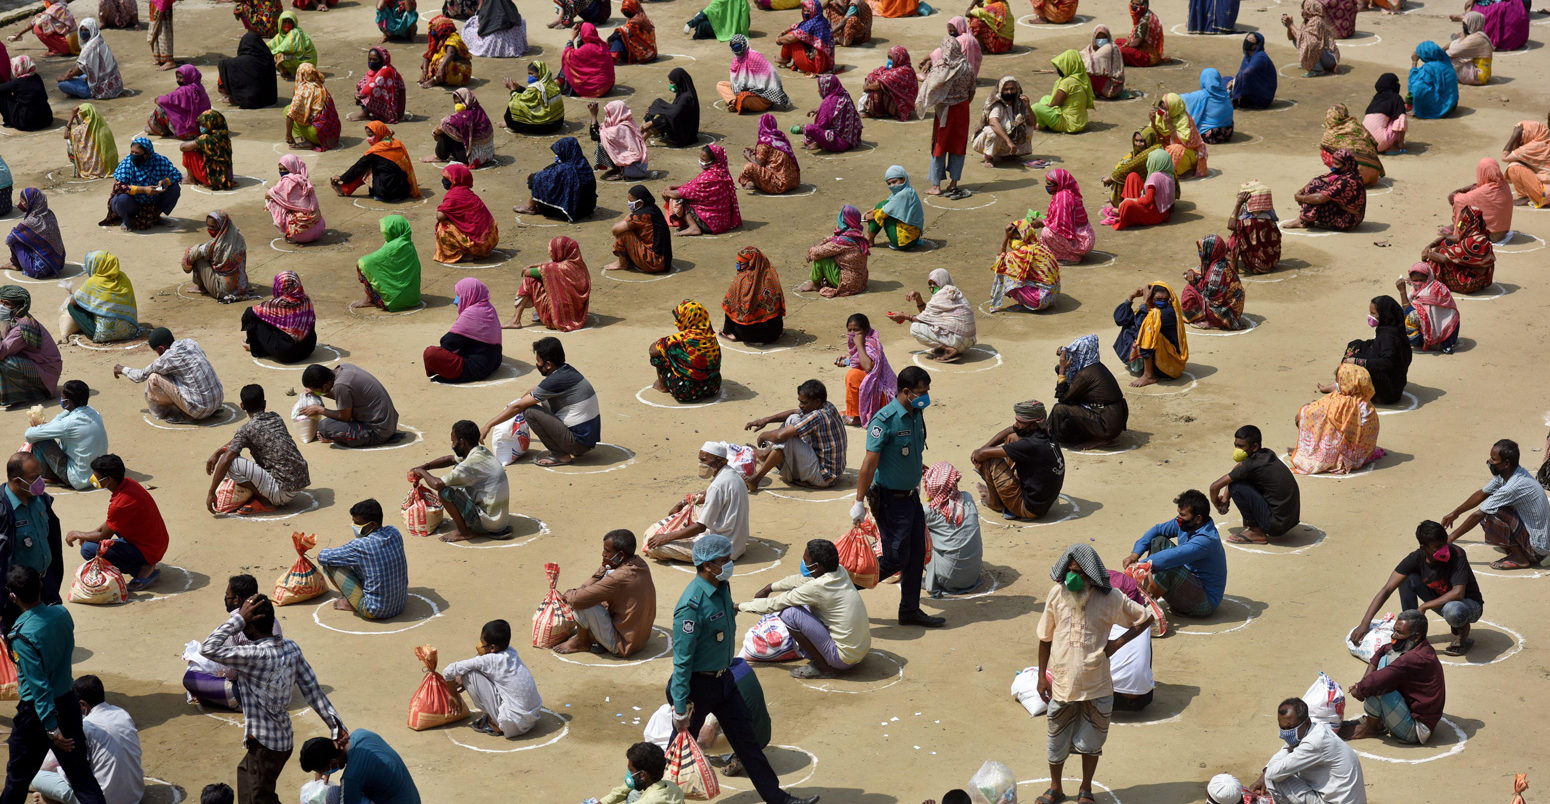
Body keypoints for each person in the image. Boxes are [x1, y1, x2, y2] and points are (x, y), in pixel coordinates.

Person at [666, 535, 819, 804]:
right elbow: (682, 660)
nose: (729, 565)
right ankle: (654, 797)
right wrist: (680, 706)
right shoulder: (691, 607)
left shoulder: (722, 587)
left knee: (746, 742)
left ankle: (777, 798)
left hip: (724, 680)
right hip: (696, 688)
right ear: (707, 565)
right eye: (723, 561)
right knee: (679, 752)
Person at [199, 592, 346, 804]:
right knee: (246, 777)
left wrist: (238, 618)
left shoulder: (252, 656)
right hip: (282, 740)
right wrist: (336, 726)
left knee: (260, 797)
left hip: (265, 745)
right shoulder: (291, 648)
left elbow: (208, 648)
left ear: (250, 626)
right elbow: (313, 691)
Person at [1033, 545, 1152, 804]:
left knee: (1092, 741)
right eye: (1069, 572)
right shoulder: (1057, 594)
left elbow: (1145, 618)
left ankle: (1085, 789)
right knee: (1056, 739)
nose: (1072, 577)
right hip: (1063, 684)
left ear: (1090, 575)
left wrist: (1115, 645)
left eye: (1078, 572)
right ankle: (1055, 787)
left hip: (1097, 684)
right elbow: (1044, 639)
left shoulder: (1112, 599)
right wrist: (1042, 676)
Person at [0, 566, 107, 804]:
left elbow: (39, 687)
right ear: (40, 586)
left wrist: (52, 728)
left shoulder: (21, 636)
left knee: (17, 780)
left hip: (36, 716)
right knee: (81, 775)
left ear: (13, 597)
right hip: (68, 705)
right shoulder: (62, 615)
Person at [852, 365, 942, 627]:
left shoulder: (916, 413)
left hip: (911, 496)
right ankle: (837, 590)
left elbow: (911, 449)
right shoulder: (884, 421)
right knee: (894, 559)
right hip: (890, 500)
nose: (925, 396)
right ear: (906, 392)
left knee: (915, 555)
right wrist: (858, 501)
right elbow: (869, 463)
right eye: (921, 392)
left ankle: (910, 610)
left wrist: (915, 468)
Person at [739, 539, 869, 679]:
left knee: (789, 613)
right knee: (806, 605)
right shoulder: (840, 571)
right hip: (860, 651)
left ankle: (823, 668)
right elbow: (801, 581)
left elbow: (775, 604)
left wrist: (739, 606)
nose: (804, 563)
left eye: (805, 560)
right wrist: (770, 587)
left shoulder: (817, 588)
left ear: (817, 566)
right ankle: (825, 660)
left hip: (842, 660)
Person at [1352, 521, 1483, 658]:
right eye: (1437, 547)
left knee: (1453, 610)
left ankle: (1462, 633)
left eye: (1445, 544)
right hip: (1442, 601)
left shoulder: (1456, 554)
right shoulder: (1415, 558)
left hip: (1469, 605)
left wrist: (1424, 606)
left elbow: (1458, 593)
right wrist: (1364, 624)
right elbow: (1387, 589)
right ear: (1424, 548)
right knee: (1407, 579)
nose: (1444, 549)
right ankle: (1412, 632)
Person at [479, 337, 601, 466]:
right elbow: (535, 391)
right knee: (538, 400)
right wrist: (518, 403)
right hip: (587, 440)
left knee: (530, 411)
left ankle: (561, 455)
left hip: (579, 443)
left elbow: (519, 407)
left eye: (538, 361)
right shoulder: (566, 371)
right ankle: (570, 447)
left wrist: (488, 425)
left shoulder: (556, 380)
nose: (537, 365)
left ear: (548, 365)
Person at [28, 675, 144, 804]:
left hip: (101, 799)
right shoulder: (122, 713)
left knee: (37, 778)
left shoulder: (86, 726)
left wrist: (57, 768)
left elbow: (74, 775)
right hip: (135, 795)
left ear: (82, 705)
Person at [1442, 439, 1549, 571]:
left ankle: (1519, 557)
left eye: (1493, 459)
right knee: (1490, 508)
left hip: (1537, 548)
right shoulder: (1508, 474)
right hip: (1536, 536)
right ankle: (1517, 548)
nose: (1489, 462)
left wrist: (1450, 538)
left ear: (1506, 463)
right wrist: (1455, 513)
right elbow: (1481, 494)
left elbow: (1478, 514)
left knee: (1491, 513)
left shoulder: (1513, 486)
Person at [1341, 610, 1446, 744]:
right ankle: (1377, 720)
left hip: (1417, 729)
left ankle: (1371, 728)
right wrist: (1363, 683)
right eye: (1394, 631)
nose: (1394, 636)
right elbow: (1383, 649)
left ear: (1415, 637)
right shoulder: (1420, 646)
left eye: (1399, 633)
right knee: (1385, 659)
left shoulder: (1413, 658)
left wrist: (1360, 689)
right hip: (1409, 711)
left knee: (1380, 684)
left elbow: (1377, 681)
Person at [62, 454, 167, 588]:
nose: (94, 478)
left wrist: (78, 534)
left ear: (109, 479)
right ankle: (145, 562)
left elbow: (103, 535)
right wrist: (89, 534)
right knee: (93, 540)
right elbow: (112, 523)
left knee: (88, 549)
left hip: (149, 549)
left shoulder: (120, 504)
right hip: (156, 542)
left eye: (97, 476)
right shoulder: (129, 483)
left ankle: (143, 570)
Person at [204, 384, 309, 516]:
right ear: (264, 404)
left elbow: (228, 457)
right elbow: (239, 440)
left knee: (231, 462)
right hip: (300, 481)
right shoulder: (275, 417)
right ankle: (268, 492)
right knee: (252, 454)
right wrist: (219, 451)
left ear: (242, 405)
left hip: (282, 493)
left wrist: (211, 492)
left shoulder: (246, 430)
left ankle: (265, 501)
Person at [1122, 490, 1228, 617]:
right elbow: (1158, 530)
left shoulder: (1206, 540)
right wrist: (1135, 554)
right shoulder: (1188, 524)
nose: (1178, 519)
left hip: (1205, 602)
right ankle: (1147, 591)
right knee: (1159, 541)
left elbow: (1167, 559)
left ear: (1198, 518)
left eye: (1182, 515)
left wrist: (1139, 565)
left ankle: (1142, 612)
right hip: (1189, 583)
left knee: (1169, 567)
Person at [554, 530, 657, 656]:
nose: (603, 554)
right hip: (640, 639)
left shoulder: (619, 577)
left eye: (607, 551)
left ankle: (581, 642)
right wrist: (603, 568)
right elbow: (592, 584)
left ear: (620, 556)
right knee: (595, 590)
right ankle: (593, 637)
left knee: (583, 603)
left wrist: (567, 594)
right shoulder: (639, 563)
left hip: (623, 645)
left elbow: (577, 599)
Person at [1248, 698, 1367, 804]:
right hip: (1340, 798)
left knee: (1275, 779)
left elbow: (1273, 774)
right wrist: (1264, 774)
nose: (1285, 732)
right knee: (1282, 769)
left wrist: (1265, 776)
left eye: (1289, 728)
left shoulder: (1314, 742)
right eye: (1282, 728)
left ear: (1307, 722)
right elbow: (1286, 749)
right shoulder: (1313, 729)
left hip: (1333, 801)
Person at [410, 421, 512, 542]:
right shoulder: (481, 452)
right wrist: (424, 467)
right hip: (500, 521)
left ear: (462, 442)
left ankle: (463, 532)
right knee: (456, 469)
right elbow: (449, 459)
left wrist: (421, 472)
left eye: (454, 441)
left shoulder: (469, 465)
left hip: (489, 524)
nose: (452, 445)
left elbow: (437, 484)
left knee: (445, 492)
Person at [647, 444, 748, 561]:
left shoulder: (717, 485)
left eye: (704, 460)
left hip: (722, 550)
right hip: (737, 542)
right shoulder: (731, 474)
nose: (701, 464)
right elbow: (707, 494)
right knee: (692, 507)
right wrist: (683, 503)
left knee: (656, 549)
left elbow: (700, 527)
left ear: (719, 461)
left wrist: (666, 538)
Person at [443, 619, 543, 736]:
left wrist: (453, 695)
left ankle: (494, 724)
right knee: (471, 670)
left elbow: (448, 671)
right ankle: (497, 719)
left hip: (513, 724)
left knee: (469, 674)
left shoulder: (490, 660)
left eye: (482, 643)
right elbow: (482, 661)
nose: (479, 646)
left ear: (492, 648)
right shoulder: (511, 652)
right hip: (531, 718)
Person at [743, 380, 846, 493]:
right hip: (828, 467)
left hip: (824, 477)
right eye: (800, 401)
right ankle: (764, 454)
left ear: (817, 402)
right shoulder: (827, 405)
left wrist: (763, 435)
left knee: (786, 439)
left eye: (804, 403)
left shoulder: (817, 416)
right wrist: (766, 420)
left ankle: (755, 480)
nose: (800, 405)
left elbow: (780, 436)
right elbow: (794, 412)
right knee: (793, 419)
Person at [0, 453, 65, 632]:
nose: (40, 482)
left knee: (54, 628)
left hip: (45, 582)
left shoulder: (40, 500)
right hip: (18, 594)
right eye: (34, 478)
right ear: (17, 481)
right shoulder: (3, 512)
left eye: (40, 474)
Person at [969, 400, 1065, 521]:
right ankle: (1004, 492)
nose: (1016, 424)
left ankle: (995, 502)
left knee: (989, 460)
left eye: (1020, 422)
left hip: (1029, 508)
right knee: (1012, 437)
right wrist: (984, 448)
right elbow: (1011, 430)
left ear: (1034, 424)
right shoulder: (1046, 430)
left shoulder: (1030, 445)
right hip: (1042, 502)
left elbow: (981, 455)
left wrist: (978, 453)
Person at [316, 499, 409, 616]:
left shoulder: (360, 546)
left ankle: (351, 603)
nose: (354, 526)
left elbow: (322, 557)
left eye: (358, 523)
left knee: (330, 565)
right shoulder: (394, 532)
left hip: (375, 611)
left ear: (373, 524)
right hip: (401, 603)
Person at [1210, 425, 1300, 544]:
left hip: (1276, 525)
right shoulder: (1266, 454)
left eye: (1241, 446)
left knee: (1235, 487)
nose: (1237, 450)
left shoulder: (1251, 466)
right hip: (1289, 519)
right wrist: (1226, 498)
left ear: (1255, 447)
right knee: (1238, 480)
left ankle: (1256, 531)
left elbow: (1214, 487)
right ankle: (1257, 523)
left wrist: (1217, 504)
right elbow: (1238, 469)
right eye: (1236, 445)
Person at [114, 328, 224, 423]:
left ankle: (177, 414)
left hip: (200, 410)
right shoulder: (191, 343)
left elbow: (140, 376)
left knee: (153, 378)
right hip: (218, 400)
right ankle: (204, 407)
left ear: (161, 349)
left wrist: (122, 369)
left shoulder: (167, 358)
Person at [1289, 363, 1380, 475]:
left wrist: (1309, 408)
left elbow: (1324, 416)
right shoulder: (1364, 401)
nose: (1337, 384)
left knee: (1306, 415)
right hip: (1364, 453)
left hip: (1348, 452)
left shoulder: (1346, 403)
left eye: (1338, 381)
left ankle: (1311, 451)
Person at [918, 37, 975, 200]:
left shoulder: (941, 68)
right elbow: (972, 90)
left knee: (939, 144)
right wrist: (961, 101)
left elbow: (931, 87)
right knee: (958, 144)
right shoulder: (967, 67)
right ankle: (953, 183)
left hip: (944, 111)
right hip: (962, 109)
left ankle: (936, 185)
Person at [1049, 334, 1129, 448]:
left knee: (1059, 409)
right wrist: (1064, 351)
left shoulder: (1086, 375)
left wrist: (1062, 371)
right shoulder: (1095, 366)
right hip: (1113, 418)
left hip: (1106, 424)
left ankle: (1044, 436)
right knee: (1069, 401)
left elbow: (1062, 397)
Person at [23, 380, 104, 492]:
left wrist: (39, 427)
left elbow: (29, 435)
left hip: (77, 480)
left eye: (62, 397)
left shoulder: (69, 423)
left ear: (68, 401)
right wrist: (49, 426)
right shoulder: (94, 413)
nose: (61, 400)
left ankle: (48, 475)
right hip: (97, 474)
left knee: (40, 440)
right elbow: (64, 417)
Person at [298, 731, 419, 804]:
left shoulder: (351, 778)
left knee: (333, 795)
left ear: (332, 762)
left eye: (321, 770)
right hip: (412, 799)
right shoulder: (361, 734)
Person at [917, 462, 982, 596]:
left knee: (914, 536)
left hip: (949, 580)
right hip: (972, 577)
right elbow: (943, 490)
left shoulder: (930, 512)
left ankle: (924, 578)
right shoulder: (968, 498)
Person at [299, 363, 401, 448]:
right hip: (388, 423)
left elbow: (345, 417)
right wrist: (317, 392)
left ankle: (340, 439)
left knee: (324, 427)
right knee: (330, 423)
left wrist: (320, 410)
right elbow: (345, 397)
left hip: (379, 432)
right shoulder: (344, 368)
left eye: (317, 390)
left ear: (325, 385)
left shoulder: (341, 386)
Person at [425, 278, 502, 384]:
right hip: (494, 361)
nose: (455, 300)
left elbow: (447, 342)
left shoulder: (472, 313)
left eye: (459, 295)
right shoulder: (488, 308)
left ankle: (447, 373)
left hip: (477, 368)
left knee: (431, 353)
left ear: (470, 294)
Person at [889, 269, 976, 362]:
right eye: (930, 284)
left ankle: (949, 349)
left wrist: (904, 316)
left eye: (934, 283)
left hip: (958, 341)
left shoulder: (941, 296)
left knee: (915, 328)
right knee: (930, 325)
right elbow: (930, 317)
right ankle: (947, 347)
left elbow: (922, 319)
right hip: (968, 341)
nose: (932, 286)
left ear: (942, 281)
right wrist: (919, 298)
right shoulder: (954, 292)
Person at [1113, 282, 1188, 387]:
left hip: (1168, 365)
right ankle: (1141, 365)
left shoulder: (1168, 313)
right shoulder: (1150, 310)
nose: (1162, 302)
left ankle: (1149, 376)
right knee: (1129, 326)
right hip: (1158, 360)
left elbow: (1141, 325)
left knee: (1147, 333)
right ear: (1152, 298)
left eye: (1165, 299)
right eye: (1158, 299)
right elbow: (1120, 319)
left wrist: (1144, 301)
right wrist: (1131, 298)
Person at [508, 236, 590, 332]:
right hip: (577, 316)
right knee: (550, 280)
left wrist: (529, 268)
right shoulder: (580, 266)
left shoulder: (555, 269)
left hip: (554, 319)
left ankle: (515, 319)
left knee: (530, 280)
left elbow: (528, 272)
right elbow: (551, 263)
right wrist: (537, 265)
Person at [101, 138, 182, 231]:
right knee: (121, 199)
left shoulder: (159, 161)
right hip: (132, 201)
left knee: (174, 189)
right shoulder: (127, 163)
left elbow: (177, 174)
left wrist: (166, 181)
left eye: (137, 153)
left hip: (152, 199)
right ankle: (127, 219)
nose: (134, 156)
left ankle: (155, 216)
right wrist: (143, 190)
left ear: (147, 154)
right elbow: (118, 187)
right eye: (132, 152)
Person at [58, 252, 136, 346]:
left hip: (101, 335)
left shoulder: (94, 281)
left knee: (72, 307)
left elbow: (73, 301)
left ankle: (69, 333)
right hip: (130, 331)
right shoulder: (124, 277)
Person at [1342, 296, 1410, 405]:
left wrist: (1357, 361)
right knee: (1356, 344)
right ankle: (1344, 381)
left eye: (1373, 313)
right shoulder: (1391, 328)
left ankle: (1346, 385)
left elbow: (1387, 363)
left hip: (1387, 392)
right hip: (1393, 382)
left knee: (1356, 359)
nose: (1370, 316)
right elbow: (1379, 345)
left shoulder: (1388, 336)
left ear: (1384, 314)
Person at [0, 289, 61, 409]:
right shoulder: (13, 320)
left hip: (46, 370)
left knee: (6, 363)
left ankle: (32, 395)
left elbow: (2, 351)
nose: (2, 306)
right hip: (34, 363)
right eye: (0, 302)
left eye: (6, 304)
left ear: (19, 306)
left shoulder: (22, 327)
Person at [332, 122, 420, 202]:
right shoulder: (397, 144)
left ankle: (344, 189)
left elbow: (357, 168)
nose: (369, 139)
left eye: (371, 135)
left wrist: (342, 177)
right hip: (403, 190)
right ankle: (346, 189)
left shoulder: (375, 151)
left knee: (367, 168)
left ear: (379, 134)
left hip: (387, 193)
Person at [515, 138, 597, 223]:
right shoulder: (583, 163)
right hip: (588, 208)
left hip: (573, 212)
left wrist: (533, 177)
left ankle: (530, 207)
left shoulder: (565, 169)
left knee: (535, 180)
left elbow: (536, 179)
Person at [987, 218, 1060, 313]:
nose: (1013, 241)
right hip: (1053, 296)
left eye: (1016, 238)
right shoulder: (1040, 246)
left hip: (1040, 301)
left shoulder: (1024, 252)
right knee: (1015, 270)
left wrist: (1005, 237)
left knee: (1004, 273)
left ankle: (1027, 304)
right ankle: (1029, 299)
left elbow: (999, 262)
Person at [664, 146, 740, 236]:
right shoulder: (722, 173)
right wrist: (673, 187)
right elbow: (693, 185)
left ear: (713, 160)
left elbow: (681, 193)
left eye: (704, 159)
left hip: (709, 224)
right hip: (723, 222)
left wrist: (667, 192)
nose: (701, 161)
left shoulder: (708, 178)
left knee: (679, 200)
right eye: (700, 158)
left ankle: (693, 227)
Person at [243, 272, 317, 364]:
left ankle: (255, 348)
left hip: (286, 354)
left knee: (255, 320)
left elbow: (249, 312)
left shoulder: (278, 304)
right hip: (308, 348)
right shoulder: (306, 300)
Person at [836, 314, 895, 428]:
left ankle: (856, 417)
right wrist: (849, 358)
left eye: (856, 330)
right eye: (850, 330)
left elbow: (868, 367)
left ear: (865, 330)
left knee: (852, 376)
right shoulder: (865, 342)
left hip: (882, 394)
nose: (853, 334)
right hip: (877, 391)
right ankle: (856, 411)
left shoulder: (870, 343)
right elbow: (861, 361)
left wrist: (859, 344)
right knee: (855, 374)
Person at [1284, 148, 1365, 231]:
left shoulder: (1347, 181)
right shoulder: (1350, 172)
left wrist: (1301, 198)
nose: (1333, 166)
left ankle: (1303, 220)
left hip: (1348, 220)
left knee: (1315, 196)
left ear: (1346, 165)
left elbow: (1320, 198)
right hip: (1353, 215)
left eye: (1337, 164)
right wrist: (1302, 190)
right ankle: (1305, 219)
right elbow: (1320, 179)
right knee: (1316, 184)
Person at [354, 215, 423, 312]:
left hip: (392, 301)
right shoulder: (408, 244)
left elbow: (365, 262)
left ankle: (369, 300)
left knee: (362, 265)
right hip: (413, 299)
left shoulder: (394, 246)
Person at [431, 166, 498, 264]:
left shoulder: (454, 195)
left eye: (447, 178)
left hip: (478, 245)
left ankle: (465, 254)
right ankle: (474, 250)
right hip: (491, 240)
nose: (444, 181)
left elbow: (440, 216)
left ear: (455, 179)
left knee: (443, 227)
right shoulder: (469, 194)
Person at [1025, 170, 1095, 264]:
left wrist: (1042, 222)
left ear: (1059, 184)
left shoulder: (1063, 198)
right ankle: (1066, 252)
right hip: (1083, 236)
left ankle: (1070, 257)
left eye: (1049, 184)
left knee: (1046, 233)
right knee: (1047, 229)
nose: (1047, 186)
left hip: (1081, 242)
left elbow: (1062, 227)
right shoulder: (1065, 194)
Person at [1422, 205, 1495, 294]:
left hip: (1470, 283)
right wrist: (1430, 246)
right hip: (1481, 280)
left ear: (1467, 223)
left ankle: (1424, 278)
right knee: (1445, 244)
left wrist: (1429, 254)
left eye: (1461, 223)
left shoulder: (1472, 242)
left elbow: (1444, 258)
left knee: (1439, 255)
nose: (1459, 225)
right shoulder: (1479, 234)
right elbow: (1448, 238)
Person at [799, 205, 868, 297]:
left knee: (822, 258)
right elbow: (832, 238)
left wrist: (811, 251)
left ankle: (814, 283)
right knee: (826, 252)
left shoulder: (844, 241)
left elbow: (818, 252)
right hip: (860, 282)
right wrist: (821, 244)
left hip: (848, 285)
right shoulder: (856, 234)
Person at [1180, 235, 1245, 331]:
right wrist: (1191, 272)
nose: (1200, 253)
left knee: (1189, 293)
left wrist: (1195, 282)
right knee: (1193, 285)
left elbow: (1211, 298)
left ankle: (1211, 321)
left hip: (1225, 311)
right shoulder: (1219, 260)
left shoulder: (1215, 273)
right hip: (1232, 305)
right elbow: (1201, 270)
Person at [720, 247, 784, 345]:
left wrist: (726, 329)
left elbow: (728, 306)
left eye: (741, 264)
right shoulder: (771, 276)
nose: (739, 267)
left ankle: (730, 333)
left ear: (750, 263)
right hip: (774, 333)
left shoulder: (741, 280)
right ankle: (771, 336)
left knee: (731, 305)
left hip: (746, 334)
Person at [180, 212, 249, 301]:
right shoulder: (238, 237)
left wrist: (187, 262)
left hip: (221, 289)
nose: (210, 229)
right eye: (208, 226)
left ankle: (200, 287)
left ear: (222, 226)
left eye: (213, 227)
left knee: (199, 257)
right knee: (206, 255)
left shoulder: (216, 245)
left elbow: (193, 253)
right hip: (241, 285)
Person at [606, 186, 673, 274]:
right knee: (629, 228)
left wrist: (629, 216)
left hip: (655, 262)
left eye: (631, 201)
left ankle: (623, 263)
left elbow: (615, 230)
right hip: (665, 260)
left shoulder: (641, 216)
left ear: (640, 203)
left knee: (623, 233)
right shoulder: (653, 209)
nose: (629, 203)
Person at [1104, 149, 1176, 230]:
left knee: (1127, 204)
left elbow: (1147, 200)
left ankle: (1122, 213)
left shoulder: (1155, 177)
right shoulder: (1170, 175)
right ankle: (1125, 211)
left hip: (1154, 215)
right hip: (1160, 211)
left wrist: (1129, 200)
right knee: (1132, 176)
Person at [1395, 263, 1459, 353]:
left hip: (1445, 336)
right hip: (1441, 330)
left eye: (1421, 280)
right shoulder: (1425, 286)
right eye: (1415, 280)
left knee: (1410, 317)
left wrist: (1402, 292)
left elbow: (1411, 313)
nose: (1418, 283)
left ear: (1428, 278)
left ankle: (1429, 343)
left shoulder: (1433, 291)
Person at [717, 37, 788, 117]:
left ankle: (738, 102)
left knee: (745, 98)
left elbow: (772, 75)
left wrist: (756, 89)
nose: (737, 50)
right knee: (721, 85)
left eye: (738, 47)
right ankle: (734, 102)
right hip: (744, 90)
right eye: (734, 48)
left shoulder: (755, 57)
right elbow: (737, 83)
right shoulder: (736, 60)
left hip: (763, 96)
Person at [595, 743, 684, 804]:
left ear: (642, 775)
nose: (629, 774)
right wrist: (603, 802)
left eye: (631, 770)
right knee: (633, 793)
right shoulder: (673, 787)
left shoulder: (647, 801)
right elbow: (625, 788)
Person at [4, 190, 64, 280]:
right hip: (58, 263)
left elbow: (9, 239)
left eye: (23, 201)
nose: (21, 204)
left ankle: (15, 264)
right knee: (25, 237)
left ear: (31, 203)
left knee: (16, 239)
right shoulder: (50, 213)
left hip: (38, 269)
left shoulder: (31, 221)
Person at [57, 18, 122, 101]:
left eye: (86, 30)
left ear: (92, 30)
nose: (83, 33)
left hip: (101, 91)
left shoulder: (88, 49)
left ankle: (84, 93)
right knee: (84, 76)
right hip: (115, 85)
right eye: (81, 30)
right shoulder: (100, 41)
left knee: (62, 84)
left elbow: (79, 70)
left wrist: (64, 77)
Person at [265, 158, 326, 246]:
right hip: (319, 229)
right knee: (282, 200)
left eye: (285, 169)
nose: (282, 172)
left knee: (272, 202)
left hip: (300, 235)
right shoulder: (304, 180)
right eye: (280, 169)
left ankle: (291, 234)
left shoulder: (287, 182)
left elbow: (268, 195)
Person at [1448, 157, 1512, 238]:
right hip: (1503, 231)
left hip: (1490, 235)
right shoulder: (1504, 185)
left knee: (1461, 206)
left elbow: (1456, 200)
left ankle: (1458, 230)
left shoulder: (1485, 191)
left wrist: (1458, 191)